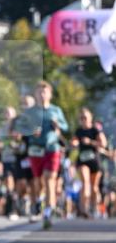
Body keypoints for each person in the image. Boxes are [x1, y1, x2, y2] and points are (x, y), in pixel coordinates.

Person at [17, 80, 68, 230]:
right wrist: (31, 131)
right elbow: (20, 127)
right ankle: (39, 200)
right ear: (36, 94)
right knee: (38, 181)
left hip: (52, 148)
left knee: (49, 179)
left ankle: (48, 212)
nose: (42, 94)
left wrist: (58, 125)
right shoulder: (30, 112)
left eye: (45, 91)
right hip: (35, 150)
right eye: (39, 91)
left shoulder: (56, 110)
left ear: (50, 94)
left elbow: (66, 126)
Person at [72, 107, 108, 218]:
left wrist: (91, 142)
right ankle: (84, 208)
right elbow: (74, 140)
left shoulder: (95, 130)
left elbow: (103, 144)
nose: (83, 120)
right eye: (81, 118)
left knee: (94, 187)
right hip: (82, 161)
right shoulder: (79, 131)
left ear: (90, 118)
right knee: (85, 182)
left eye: (85, 118)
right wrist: (74, 143)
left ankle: (94, 207)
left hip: (94, 161)